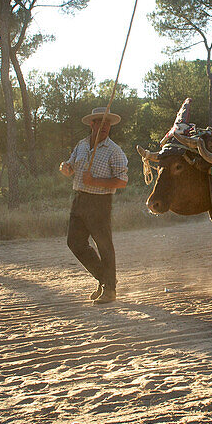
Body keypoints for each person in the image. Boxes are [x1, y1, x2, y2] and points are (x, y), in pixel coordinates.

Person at [59, 106, 128, 304]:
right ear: (92, 124)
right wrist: (65, 167)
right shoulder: (81, 145)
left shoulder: (114, 151)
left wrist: (95, 181)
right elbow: (69, 166)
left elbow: (122, 181)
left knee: (104, 245)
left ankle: (110, 290)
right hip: (79, 199)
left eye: (108, 123)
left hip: (100, 202)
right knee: (75, 243)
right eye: (101, 122)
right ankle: (104, 279)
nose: (105, 126)